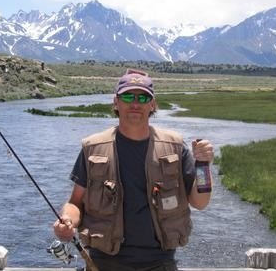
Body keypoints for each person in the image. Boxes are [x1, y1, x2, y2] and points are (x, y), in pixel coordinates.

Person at [53, 68, 214, 271]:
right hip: (103, 263)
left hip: (160, 262)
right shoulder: (92, 148)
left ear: (153, 104)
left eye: (143, 97)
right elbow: (75, 202)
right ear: (116, 102)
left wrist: (203, 165)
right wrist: (67, 221)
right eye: (128, 96)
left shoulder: (175, 147)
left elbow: (200, 202)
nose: (135, 103)